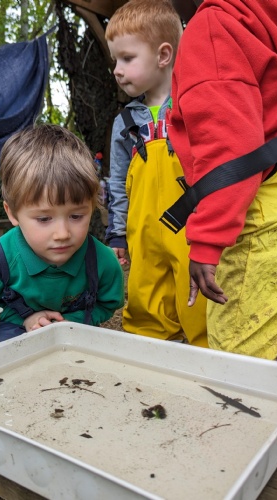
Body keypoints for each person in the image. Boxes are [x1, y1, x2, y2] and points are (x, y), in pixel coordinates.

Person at [167, 0, 277, 358]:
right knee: (258, 334)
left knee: (237, 353)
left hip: (263, 202)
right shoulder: (253, 19)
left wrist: (207, 242)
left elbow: (229, 148)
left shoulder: (211, 27)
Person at [0, 124, 125, 342]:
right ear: (12, 213)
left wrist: (72, 322)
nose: (62, 234)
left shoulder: (103, 263)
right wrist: (23, 318)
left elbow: (106, 304)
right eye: (44, 219)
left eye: (76, 216)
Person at [104, 0, 208, 347]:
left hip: (191, 232)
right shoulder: (125, 123)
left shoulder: (196, 108)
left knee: (200, 305)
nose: (116, 70)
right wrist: (117, 234)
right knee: (146, 305)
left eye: (127, 58)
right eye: (115, 60)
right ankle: (150, 359)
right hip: (144, 234)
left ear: (163, 55)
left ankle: (207, 361)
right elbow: (117, 184)